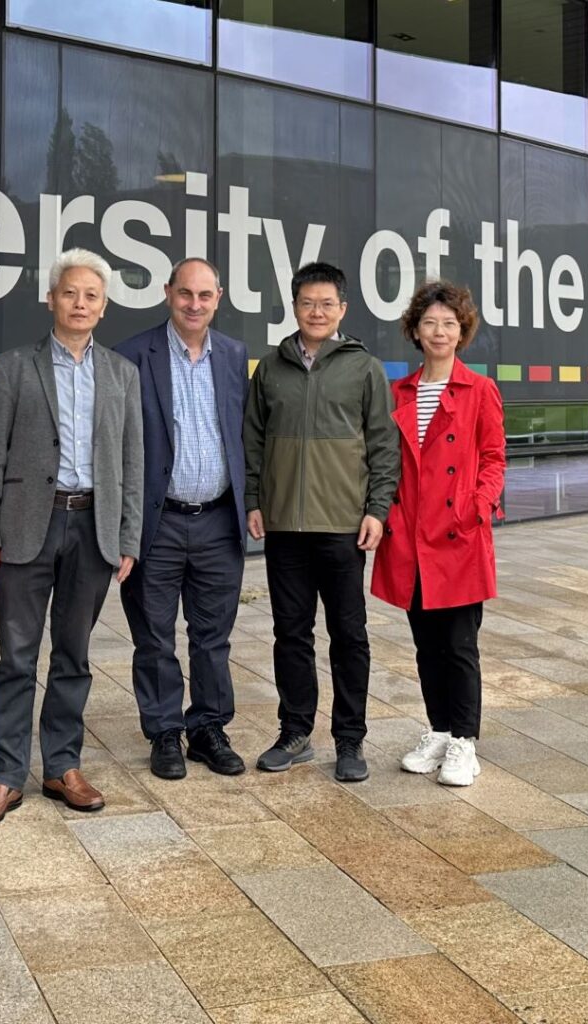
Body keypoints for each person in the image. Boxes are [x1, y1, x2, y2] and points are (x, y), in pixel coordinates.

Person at [0, 248, 143, 826]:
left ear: (104, 306)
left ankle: (62, 764)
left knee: (74, 655)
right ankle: (5, 776)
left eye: (92, 295)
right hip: (24, 528)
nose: (80, 303)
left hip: (93, 527)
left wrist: (128, 534)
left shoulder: (121, 373)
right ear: (51, 299)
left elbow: (131, 462)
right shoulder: (14, 366)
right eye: (70, 293)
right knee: (16, 657)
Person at [244, 261, 399, 781]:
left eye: (326, 304)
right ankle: (295, 733)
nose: (317, 311)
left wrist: (377, 509)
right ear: (295, 307)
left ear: (343, 309)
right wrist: (253, 499)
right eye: (308, 303)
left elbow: (383, 446)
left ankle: (350, 741)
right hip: (286, 524)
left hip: (342, 525)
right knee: (291, 633)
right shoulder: (271, 369)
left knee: (349, 635)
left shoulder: (364, 368)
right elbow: (254, 443)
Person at [116, 258, 249, 780]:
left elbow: (243, 438)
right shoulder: (132, 356)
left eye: (205, 295)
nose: (195, 304)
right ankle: (165, 731)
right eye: (185, 293)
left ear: (219, 297)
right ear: (168, 292)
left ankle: (209, 728)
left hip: (218, 519)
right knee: (153, 635)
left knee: (213, 635)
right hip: (158, 522)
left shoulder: (235, 356)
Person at [371, 280, 505, 786]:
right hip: (410, 537)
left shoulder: (480, 390)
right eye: (430, 323)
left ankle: (466, 743)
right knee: (426, 645)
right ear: (416, 330)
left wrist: (478, 503)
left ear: (462, 330)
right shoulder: (400, 391)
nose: (439, 331)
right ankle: (440, 731)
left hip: (458, 536)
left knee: (458, 644)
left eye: (449, 323)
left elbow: (493, 458)